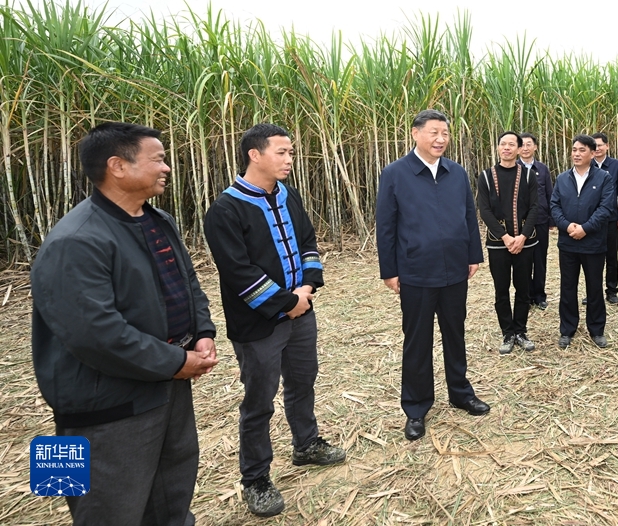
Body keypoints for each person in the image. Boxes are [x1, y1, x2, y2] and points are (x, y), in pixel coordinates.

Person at [31, 122, 218, 526]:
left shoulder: (158, 220)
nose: (166, 167)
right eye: (158, 159)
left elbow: (187, 282)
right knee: (106, 511)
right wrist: (175, 361)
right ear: (117, 166)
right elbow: (96, 335)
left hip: (166, 388)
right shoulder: (74, 241)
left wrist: (202, 333)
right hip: (104, 409)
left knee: (171, 498)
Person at [204, 123, 345, 518]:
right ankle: (256, 478)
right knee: (258, 400)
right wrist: (286, 303)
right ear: (255, 154)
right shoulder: (225, 209)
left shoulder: (287, 194)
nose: (289, 159)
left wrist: (307, 288)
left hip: (301, 311)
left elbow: (307, 243)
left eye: (291, 152)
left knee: (302, 381)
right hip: (258, 323)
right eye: (281, 152)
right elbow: (238, 272)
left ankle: (306, 443)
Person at [376, 109, 489, 442]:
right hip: (416, 271)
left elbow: (469, 216)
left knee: (455, 334)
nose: (441, 139)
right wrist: (390, 270)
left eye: (445, 133)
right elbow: (386, 225)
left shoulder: (457, 172)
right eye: (434, 132)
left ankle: (460, 393)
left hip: (455, 269)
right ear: (415, 133)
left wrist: (473, 255)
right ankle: (416, 407)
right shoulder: (395, 173)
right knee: (417, 341)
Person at [550, 134, 617, 349]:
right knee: (568, 287)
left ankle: (596, 330)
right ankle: (567, 330)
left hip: (593, 243)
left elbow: (606, 208)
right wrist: (567, 226)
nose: (576, 154)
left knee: (594, 288)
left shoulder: (604, 178)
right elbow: (554, 206)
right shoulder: (562, 178)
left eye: (582, 150)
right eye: (574, 150)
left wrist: (585, 228)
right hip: (568, 243)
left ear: (592, 152)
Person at [478, 131, 540, 354]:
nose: (507, 148)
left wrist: (522, 236)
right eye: (503, 144)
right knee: (501, 290)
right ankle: (507, 332)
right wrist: (505, 236)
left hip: (525, 243)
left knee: (523, 289)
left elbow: (535, 207)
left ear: (519, 149)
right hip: (498, 243)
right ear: (497, 148)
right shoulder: (486, 176)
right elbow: (484, 210)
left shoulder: (529, 175)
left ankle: (521, 331)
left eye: (511, 144)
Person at [583, 132, 618, 305]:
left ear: (607, 146)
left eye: (600, 145)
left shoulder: (616, 166)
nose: (598, 148)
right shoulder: (587, 165)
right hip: (591, 221)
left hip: (610, 219)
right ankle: (592, 292)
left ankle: (612, 290)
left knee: (611, 256)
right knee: (592, 257)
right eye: (594, 146)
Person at [517, 133, 553, 310]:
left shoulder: (543, 169)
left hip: (540, 221)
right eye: (522, 145)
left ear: (535, 147)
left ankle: (539, 295)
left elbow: (550, 194)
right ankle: (526, 296)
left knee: (539, 259)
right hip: (520, 223)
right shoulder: (513, 168)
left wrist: (551, 219)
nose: (525, 148)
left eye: (529, 144)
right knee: (523, 261)